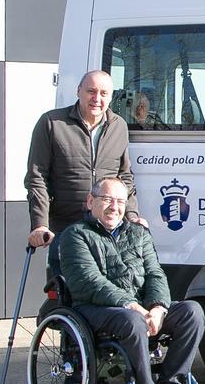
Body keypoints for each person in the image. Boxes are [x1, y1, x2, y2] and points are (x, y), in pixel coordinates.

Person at [58, 178, 205, 384]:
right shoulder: (75, 236)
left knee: (193, 312)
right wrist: (133, 305)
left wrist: (158, 308)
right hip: (96, 309)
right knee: (133, 320)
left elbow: (155, 273)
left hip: (141, 310)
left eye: (119, 202)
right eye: (107, 200)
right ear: (90, 201)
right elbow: (90, 281)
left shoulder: (138, 233)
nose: (113, 207)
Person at [25, 70, 146, 278]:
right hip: (66, 227)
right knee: (67, 293)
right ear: (78, 91)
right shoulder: (52, 123)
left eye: (103, 93)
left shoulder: (119, 126)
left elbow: (125, 176)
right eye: (91, 91)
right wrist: (40, 224)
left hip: (107, 231)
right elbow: (37, 177)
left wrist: (132, 216)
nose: (97, 99)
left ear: (110, 96)